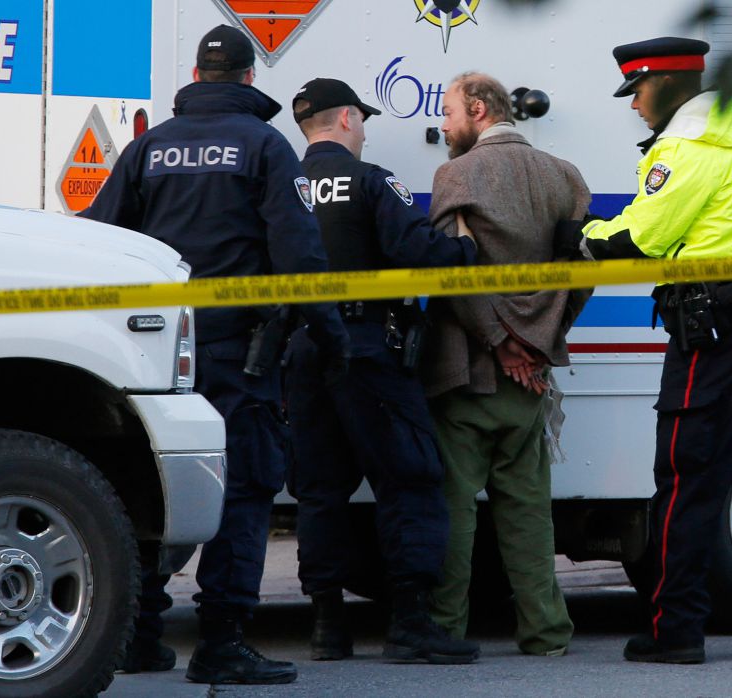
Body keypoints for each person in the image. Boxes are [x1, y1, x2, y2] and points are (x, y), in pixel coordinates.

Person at [81, 25, 350, 685]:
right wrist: (333, 337)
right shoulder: (264, 145)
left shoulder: (148, 147)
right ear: (249, 81)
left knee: (141, 481)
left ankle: (140, 636)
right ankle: (222, 641)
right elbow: (298, 253)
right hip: (240, 354)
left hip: (152, 349)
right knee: (246, 489)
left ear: (198, 80)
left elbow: (99, 235)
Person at [555, 36, 732, 664]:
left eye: (638, 91)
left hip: (714, 328)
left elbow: (642, 239)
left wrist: (578, 234)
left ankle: (677, 632)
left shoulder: (687, 146)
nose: (634, 105)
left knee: (687, 478)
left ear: (668, 84)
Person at [285, 77, 481, 665]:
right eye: (362, 120)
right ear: (346, 119)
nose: (365, 130)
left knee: (319, 490)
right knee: (410, 479)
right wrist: (465, 251)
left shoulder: (282, 185)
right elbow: (418, 252)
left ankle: (327, 627)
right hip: (367, 348)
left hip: (299, 351)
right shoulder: (372, 182)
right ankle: (412, 624)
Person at [422, 72, 592, 656]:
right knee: (528, 512)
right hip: (530, 380)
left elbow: (453, 277)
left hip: (468, 372)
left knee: (455, 508)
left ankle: (444, 628)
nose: (442, 127)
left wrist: (500, 341)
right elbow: (582, 274)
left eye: (447, 114)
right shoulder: (565, 176)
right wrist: (540, 343)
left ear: (477, 109)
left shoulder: (456, 175)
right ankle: (546, 632)